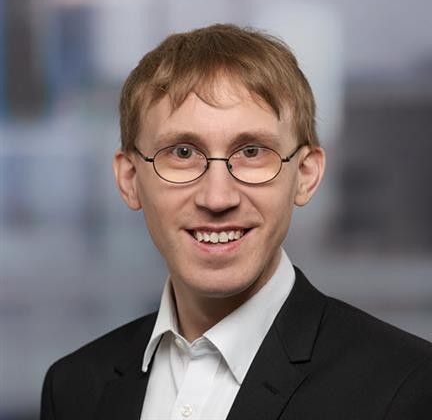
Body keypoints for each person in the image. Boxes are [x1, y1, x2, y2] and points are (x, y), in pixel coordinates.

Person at [40, 24, 432, 420]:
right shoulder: (73, 387)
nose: (217, 198)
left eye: (252, 151)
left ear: (306, 174)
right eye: (182, 152)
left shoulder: (406, 387)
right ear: (129, 180)